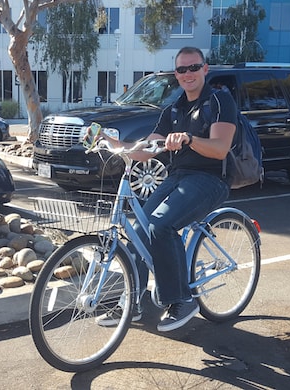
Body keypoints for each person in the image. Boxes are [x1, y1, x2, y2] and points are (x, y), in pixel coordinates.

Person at [98, 46, 237, 332]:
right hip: (178, 176)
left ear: (205, 69)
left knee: (161, 226)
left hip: (211, 179)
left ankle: (182, 301)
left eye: (194, 67)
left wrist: (188, 139)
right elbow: (145, 150)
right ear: (176, 74)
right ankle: (132, 303)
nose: (188, 74)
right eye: (182, 69)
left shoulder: (219, 101)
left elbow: (220, 149)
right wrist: (110, 143)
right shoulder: (173, 109)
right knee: (138, 232)